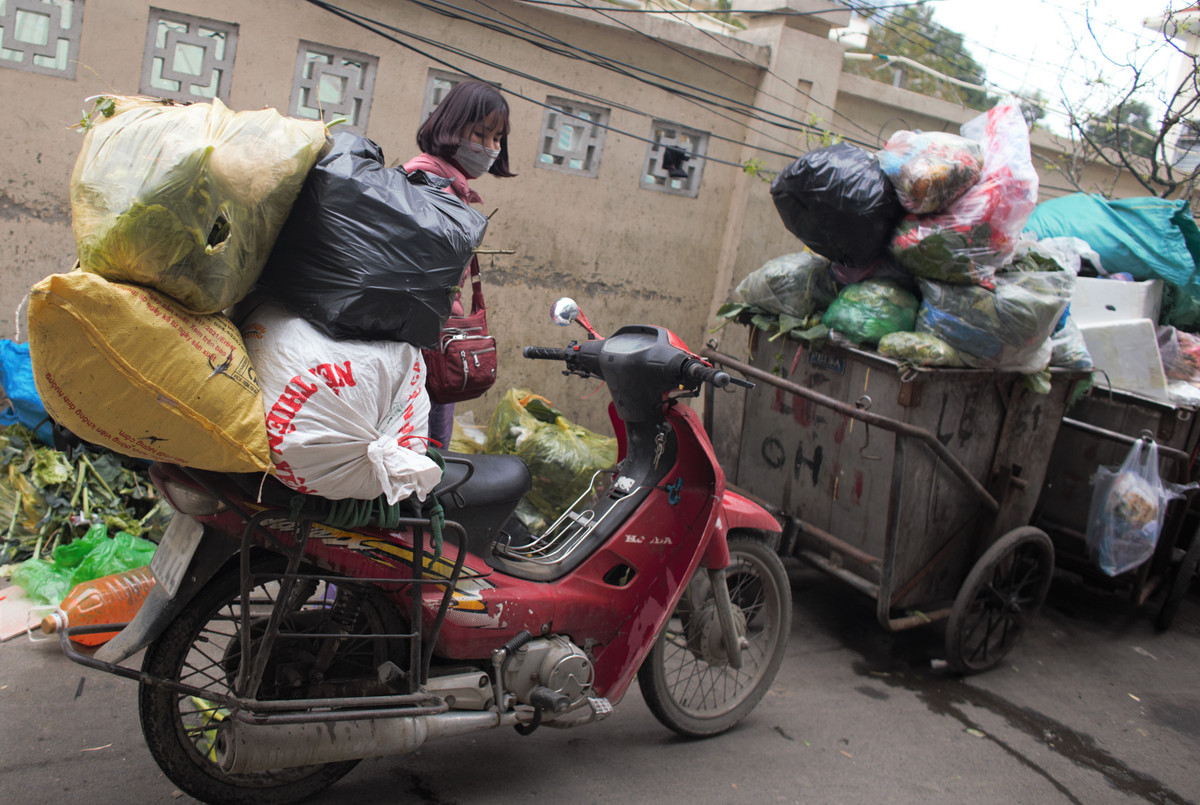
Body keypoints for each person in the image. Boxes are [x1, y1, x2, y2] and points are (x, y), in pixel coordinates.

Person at [404, 80, 516, 451]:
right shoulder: (430, 184)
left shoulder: (452, 187)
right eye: (483, 134)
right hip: (420, 352)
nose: (492, 148)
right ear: (452, 126)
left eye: (498, 138)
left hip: (431, 346)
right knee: (425, 454)